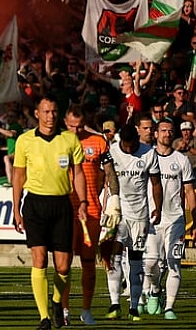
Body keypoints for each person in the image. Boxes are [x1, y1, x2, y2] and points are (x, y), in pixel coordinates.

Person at [12, 96, 87, 330]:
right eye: (45, 112)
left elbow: (78, 173)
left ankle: (56, 301)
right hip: (35, 204)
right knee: (40, 259)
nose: (50, 116)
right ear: (37, 114)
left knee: (63, 266)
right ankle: (44, 317)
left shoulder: (69, 139)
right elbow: (18, 176)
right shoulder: (24, 141)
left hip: (61, 205)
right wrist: (16, 207)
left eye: (54, 112)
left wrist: (83, 201)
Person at [60, 105, 117, 326]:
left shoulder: (99, 142)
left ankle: (86, 309)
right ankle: (64, 309)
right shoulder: (58, 142)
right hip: (65, 210)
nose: (75, 131)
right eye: (71, 126)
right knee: (63, 265)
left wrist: (115, 198)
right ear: (65, 123)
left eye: (79, 126)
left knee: (88, 264)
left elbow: (110, 172)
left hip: (92, 210)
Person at [142, 118, 196, 320]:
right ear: (156, 134)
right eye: (163, 130)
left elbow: (189, 191)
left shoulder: (181, 160)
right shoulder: (147, 158)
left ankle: (169, 307)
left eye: (170, 131)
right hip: (152, 220)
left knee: (174, 262)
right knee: (151, 263)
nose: (167, 134)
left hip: (176, 220)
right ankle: (156, 289)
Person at [103, 125, 162, 322]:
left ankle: (134, 307)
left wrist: (158, 208)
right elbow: (105, 178)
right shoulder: (112, 150)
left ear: (137, 140)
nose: (128, 150)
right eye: (125, 146)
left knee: (136, 262)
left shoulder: (148, 153)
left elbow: (155, 183)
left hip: (140, 216)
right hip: (119, 214)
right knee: (113, 258)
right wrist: (106, 203)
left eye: (131, 146)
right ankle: (114, 304)